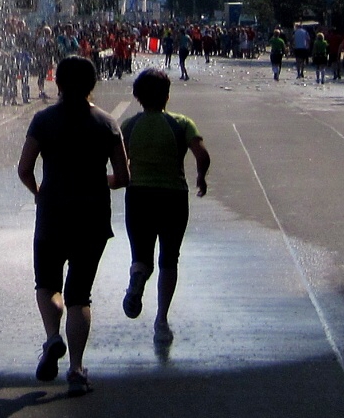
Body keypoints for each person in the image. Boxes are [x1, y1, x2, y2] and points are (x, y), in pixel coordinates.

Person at [17, 56, 130, 397]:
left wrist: (39, 192)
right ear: (92, 85)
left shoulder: (43, 120)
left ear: (58, 83)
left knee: (47, 284)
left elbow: (24, 168)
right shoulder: (107, 123)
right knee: (80, 295)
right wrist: (101, 181)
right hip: (92, 216)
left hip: (52, 213)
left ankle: (53, 338)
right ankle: (77, 370)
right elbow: (123, 177)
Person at [120, 68, 210, 347]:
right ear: (167, 96)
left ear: (137, 97)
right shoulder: (181, 124)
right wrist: (200, 177)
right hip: (172, 196)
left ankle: (137, 277)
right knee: (169, 259)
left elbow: (117, 160)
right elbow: (202, 155)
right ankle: (161, 320)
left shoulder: (129, 127)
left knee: (141, 255)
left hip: (138, 195)